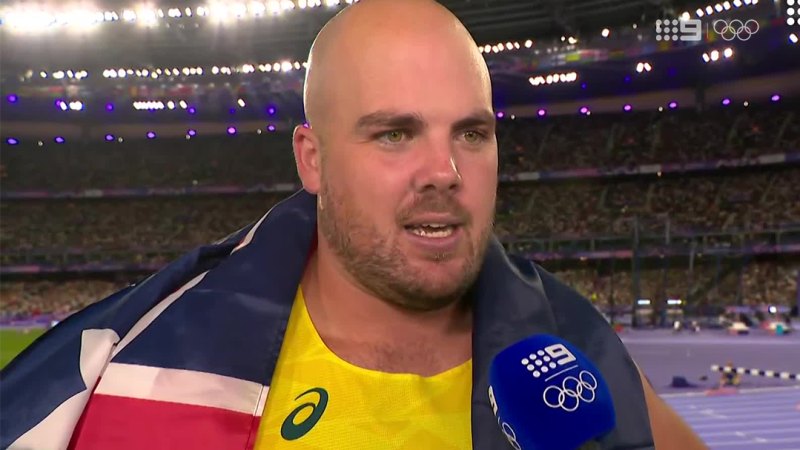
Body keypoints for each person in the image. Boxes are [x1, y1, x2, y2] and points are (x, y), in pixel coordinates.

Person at [0, 1, 707, 449]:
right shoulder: (151, 378)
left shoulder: (574, 356)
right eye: (395, 135)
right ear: (312, 159)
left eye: (472, 132)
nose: (445, 170)